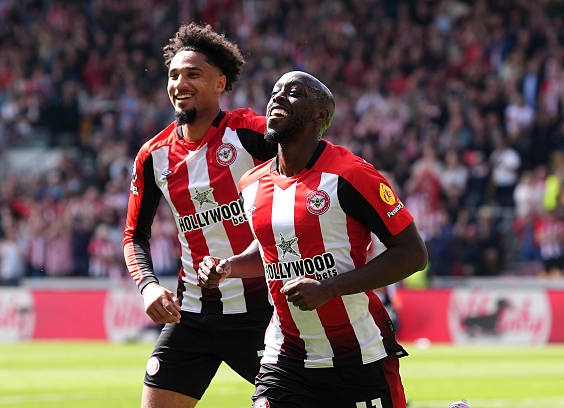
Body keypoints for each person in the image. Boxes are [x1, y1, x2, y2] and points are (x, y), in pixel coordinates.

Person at [199, 71, 428, 408]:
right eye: (275, 91)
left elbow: (412, 254)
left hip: (357, 354)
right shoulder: (251, 184)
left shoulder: (351, 175)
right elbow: (271, 251)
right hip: (286, 355)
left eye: (293, 92)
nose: (277, 97)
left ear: (320, 116)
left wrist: (328, 288)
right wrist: (229, 267)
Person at [122, 23, 277, 408]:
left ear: (220, 83)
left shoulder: (251, 134)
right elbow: (134, 236)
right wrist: (148, 286)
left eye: (193, 74)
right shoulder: (153, 156)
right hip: (191, 315)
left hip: (262, 313)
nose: (180, 83)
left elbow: (313, 168)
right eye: (174, 75)